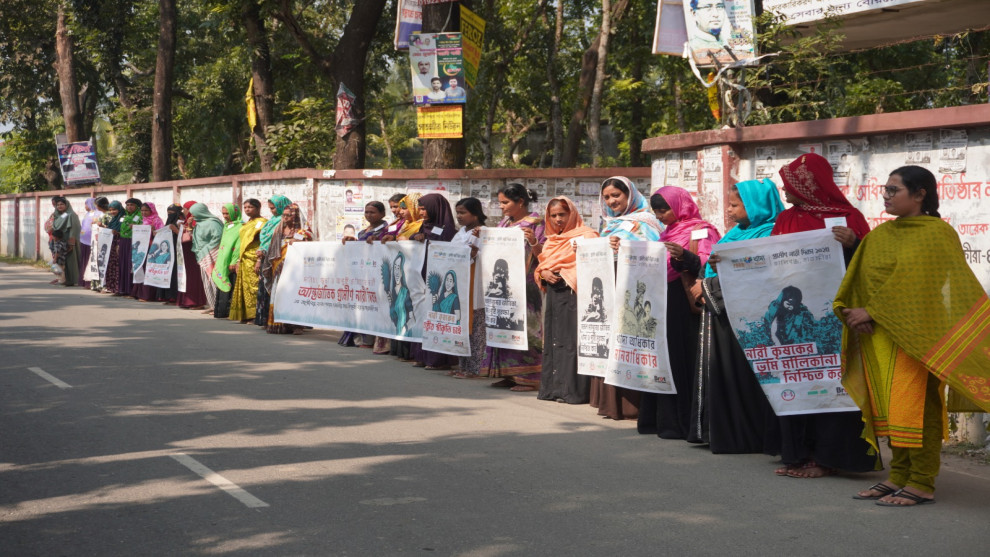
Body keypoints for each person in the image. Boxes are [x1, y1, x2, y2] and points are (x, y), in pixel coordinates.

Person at [837, 166, 990, 506]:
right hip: (877, 337)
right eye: (885, 190)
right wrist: (854, 311)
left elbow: (920, 284)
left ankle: (921, 480)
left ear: (920, 194)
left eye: (894, 190)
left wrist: (873, 311)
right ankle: (899, 475)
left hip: (918, 336)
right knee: (889, 408)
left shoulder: (937, 234)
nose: (886, 196)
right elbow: (862, 277)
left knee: (917, 407)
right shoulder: (879, 235)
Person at [771, 153, 877, 478]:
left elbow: (871, 266)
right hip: (795, 320)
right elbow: (769, 261)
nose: (784, 189)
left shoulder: (849, 217)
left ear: (809, 184)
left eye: (790, 183)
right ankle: (799, 455)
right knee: (797, 380)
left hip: (836, 319)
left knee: (834, 383)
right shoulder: (785, 218)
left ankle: (831, 459)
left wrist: (854, 244)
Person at [692, 179, 783, 455]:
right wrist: (708, 276)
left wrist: (708, 285)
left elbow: (761, 277)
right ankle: (723, 433)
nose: (729, 211)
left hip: (748, 319)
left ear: (754, 205)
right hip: (720, 313)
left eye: (735, 205)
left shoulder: (771, 233)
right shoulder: (735, 234)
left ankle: (746, 436)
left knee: (744, 377)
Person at [638, 186, 720, 439]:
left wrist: (685, 256)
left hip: (684, 306)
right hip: (662, 302)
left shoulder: (702, 230)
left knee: (681, 359)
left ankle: (683, 422)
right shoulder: (668, 232)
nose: (660, 215)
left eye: (665, 209)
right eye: (656, 211)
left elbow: (712, 262)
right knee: (664, 359)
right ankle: (664, 420)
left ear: (680, 206)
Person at [591, 176, 664, 420]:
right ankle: (611, 404)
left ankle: (632, 405)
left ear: (630, 194)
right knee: (612, 344)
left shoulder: (646, 221)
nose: (612, 201)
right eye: (607, 197)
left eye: (616, 196)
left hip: (634, 292)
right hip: (610, 288)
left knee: (629, 341)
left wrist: (624, 247)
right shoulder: (609, 223)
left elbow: (653, 253)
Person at [534, 196, 599, 403]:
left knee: (571, 342)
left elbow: (593, 265)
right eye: (553, 216)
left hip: (574, 294)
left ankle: (571, 391)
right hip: (554, 294)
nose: (558, 219)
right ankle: (553, 389)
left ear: (572, 213)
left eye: (562, 214)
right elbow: (542, 264)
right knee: (554, 341)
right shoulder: (552, 240)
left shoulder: (587, 236)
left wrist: (563, 271)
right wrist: (544, 273)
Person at [483, 183, 546, 392]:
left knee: (527, 329)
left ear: (520, 202)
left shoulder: (536, 223)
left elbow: (545, 254)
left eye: (505, 202)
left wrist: (534, 241)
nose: (501, 207)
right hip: (504, 286)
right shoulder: (504, 224)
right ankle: (510, 374)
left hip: (525, 287)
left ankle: (531, 376)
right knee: (504, 327)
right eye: (500, 202)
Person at [410, 193, 459, 370]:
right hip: (422, 279)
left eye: (424, 208)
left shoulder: (448, 230)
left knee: (438, 316)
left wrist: (430, 241)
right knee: (423, 316)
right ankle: (422, 355)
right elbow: (411, 241)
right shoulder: (423, 226)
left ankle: (438, 359)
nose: (421, 212)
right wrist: (414, 238)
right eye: (420, 208)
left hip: (439, 280)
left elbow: (447, 248)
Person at [339, 201, 389, 348]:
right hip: (362, 273)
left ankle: (371, 340)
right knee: (361, 305)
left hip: (376, 274)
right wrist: (352, 242)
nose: (368, 215)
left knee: (374, 306)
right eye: (366, 212)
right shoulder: (364, 231)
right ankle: (360, 337)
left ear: (382, 214)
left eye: (372, 212)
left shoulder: (385, 229)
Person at [381, 193, 423, 361]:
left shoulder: (421, 225)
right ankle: (400, 350)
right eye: (401, 208)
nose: (401, 211)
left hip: (413, 274)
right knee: (399, 309)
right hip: (399, 272)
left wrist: (410, 239)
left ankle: (411, 352)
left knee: (410, 310)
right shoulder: (403, 224)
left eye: (405, 208)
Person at [449, 197, 488, 377]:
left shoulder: (484, 232)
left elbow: (483, 256)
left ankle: (475, 368)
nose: (459, 216)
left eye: (463, 212)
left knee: (477, 328)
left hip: (476, 285)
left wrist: (472, 253)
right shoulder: (460, 233)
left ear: (475, 214)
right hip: (460, 285)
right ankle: (462, 365)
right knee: (462, 327)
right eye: (457, 212)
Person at [262, 203, 312, 334]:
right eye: (284, 215)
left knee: (294, 296)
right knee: (279, 295)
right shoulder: (279, 229)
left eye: (289, 215)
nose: (285, 218)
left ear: (295, 216)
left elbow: (310, 243)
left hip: (295, 271)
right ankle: (278, 324)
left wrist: (298, 241)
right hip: (279, 269)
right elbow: (272, 246)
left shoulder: (302, 231)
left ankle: (296, 325)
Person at [255, 195, 293, 326]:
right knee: (267, 288)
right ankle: (266, 319)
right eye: (270, 208)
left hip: (286, 262)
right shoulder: (273, 222)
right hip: (270, 258)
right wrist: (262, 252)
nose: (272, 211)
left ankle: (288, 322)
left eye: (274, 208)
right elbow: (269, 240)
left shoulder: (292, 226)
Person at [229, 199, 268, 323]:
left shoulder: (263, 223)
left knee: (254, 286)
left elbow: (264, 242)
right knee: (244, 287)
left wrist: (259, 260)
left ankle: (255, 315)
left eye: (250, 207)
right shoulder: (246, 223)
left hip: (254, 257)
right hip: (244, 258)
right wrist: (238, 260)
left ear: (258, 208)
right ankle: (245, 314)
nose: (247, 209)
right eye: (245, 207)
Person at [189, 203, 224, 313]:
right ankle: (212, 305)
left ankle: (218, 306)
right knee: (206, 280)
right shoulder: (199, 223)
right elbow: (197, 238)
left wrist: (206, 249)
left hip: (213, 254)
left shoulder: (213, 223)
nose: (193, 216)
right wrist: (191, 227)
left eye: (194, 213)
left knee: (214, 279)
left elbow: (218, 237)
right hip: (202, 255)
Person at [211, 203, 243, 319]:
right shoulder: (227, 225)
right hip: (223, 260)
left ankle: (229, 312)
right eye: (223, 213)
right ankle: (220, 311)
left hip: (231, 262)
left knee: (231, 286)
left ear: (234, 213)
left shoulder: (240, 226)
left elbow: (238, 245)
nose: (225, 216)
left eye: (227, 213)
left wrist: (234, 261)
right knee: (223, 284)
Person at [175, 201, 207, 309]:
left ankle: (196, 301)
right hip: (185, 252)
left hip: (193, 252)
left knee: (194, 277)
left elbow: (196, 236)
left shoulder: (197, 220)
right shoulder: (186, 220)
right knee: (185, 276)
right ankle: (185, 300)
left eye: (185, 208)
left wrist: (187, 227)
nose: (183, 211)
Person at [132, 202, 165, 301]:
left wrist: (154, 230)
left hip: (151, 249)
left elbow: (162, 234)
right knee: (140, 269)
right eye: (142, 210)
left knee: (149, 271)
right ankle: (138, 293)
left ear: (152, 210)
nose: (143, 212)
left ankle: (148, 295)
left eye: (146, 210)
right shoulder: (142, 220)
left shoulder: (157, 220)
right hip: (141, 249)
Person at [50, 197, 81, 287]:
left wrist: (71, 242)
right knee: (61, 261)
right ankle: (63, 279)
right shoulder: (57, 215)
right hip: (59, 240)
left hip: (68, 241)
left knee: (70, 260)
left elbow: (74, 229)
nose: (59, 206)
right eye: (58, 205)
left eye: (62, 204)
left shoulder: (71, 215)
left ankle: (71, 279)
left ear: (66, 205)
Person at [116, 198, 143, 295]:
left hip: (134, 241)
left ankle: (131, 289)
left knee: (130, 264)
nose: (129, 207)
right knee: (123, 264)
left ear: (137, 207)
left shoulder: (139, 216)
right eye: (127, 205)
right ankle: (122, 289)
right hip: (124, 241)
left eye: (132, 205)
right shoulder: (125, 216)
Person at [102, 201, 124, 294]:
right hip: (111, 243)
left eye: (114, 209)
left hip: (120, 243)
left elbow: (125, 230)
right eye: (110, 210)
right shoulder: (113, 219)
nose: (112, 212)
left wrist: (117, 233)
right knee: (111, 265)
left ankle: (119, 288)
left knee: (118, 265)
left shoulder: (123, 218)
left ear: (119, 209)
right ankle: (111, 287)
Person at [77, 198, 100, 289]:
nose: (85, 206)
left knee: (90, 261)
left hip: (92, 241)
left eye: (86, 204)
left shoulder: (98, 214)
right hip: (84, 241)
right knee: (84, 261)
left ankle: (90, 282)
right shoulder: (87, 214)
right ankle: (83, 280)